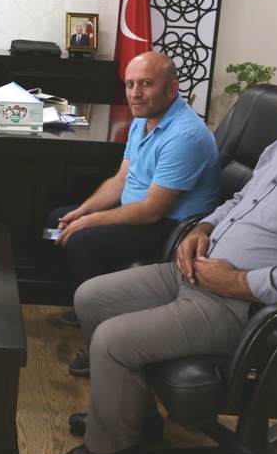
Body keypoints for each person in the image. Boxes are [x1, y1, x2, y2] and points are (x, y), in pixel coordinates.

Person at [48, 40, 277, 454]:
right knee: (91, 298)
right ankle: (132, 418)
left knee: (112, 340)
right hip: (198, 271)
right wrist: (203, 228)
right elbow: (237, 202)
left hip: (248, 307)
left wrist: (236, 282)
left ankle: (109, 447)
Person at [46, 51, 220, 376]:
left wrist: (87, 223)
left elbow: (152, 211)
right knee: (56, 220)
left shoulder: (185, 135)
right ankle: (87, 307)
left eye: (146, 84)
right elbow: (121, 180)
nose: (135, 94)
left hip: (172, 230)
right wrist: (82, 212)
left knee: (83, 241)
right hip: (138, 213)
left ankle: (96, 340)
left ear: (172, 88)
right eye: (130, 84)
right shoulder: (143, 118)